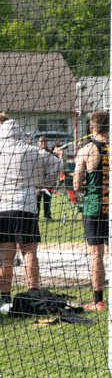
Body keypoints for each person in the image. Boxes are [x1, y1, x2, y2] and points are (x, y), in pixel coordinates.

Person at [73, 110, 112, 311]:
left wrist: (86, 185)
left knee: (95, 253)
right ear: (110, 128)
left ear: (91, 128)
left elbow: (75, 185)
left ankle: (97, 300)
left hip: (93, 207)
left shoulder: (86, 150)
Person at [0, 119, 62, 310]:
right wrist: (45, 183)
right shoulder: (31, 150)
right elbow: (57, 165)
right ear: (20, 132)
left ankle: (4, 298)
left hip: (2, 207)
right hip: (26, 205)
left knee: (5, 255)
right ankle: (33, 294)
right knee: (29, 251)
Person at [36, 137, 55, 220]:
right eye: (41, 141)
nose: (43, 142)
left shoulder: (50, 152)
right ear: (38, 143)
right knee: (37, 199)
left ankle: (47, 215)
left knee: (47, 198)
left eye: (44, 141)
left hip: (48, 180)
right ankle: (35, 216)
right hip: (38, 180)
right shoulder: (35, 152)